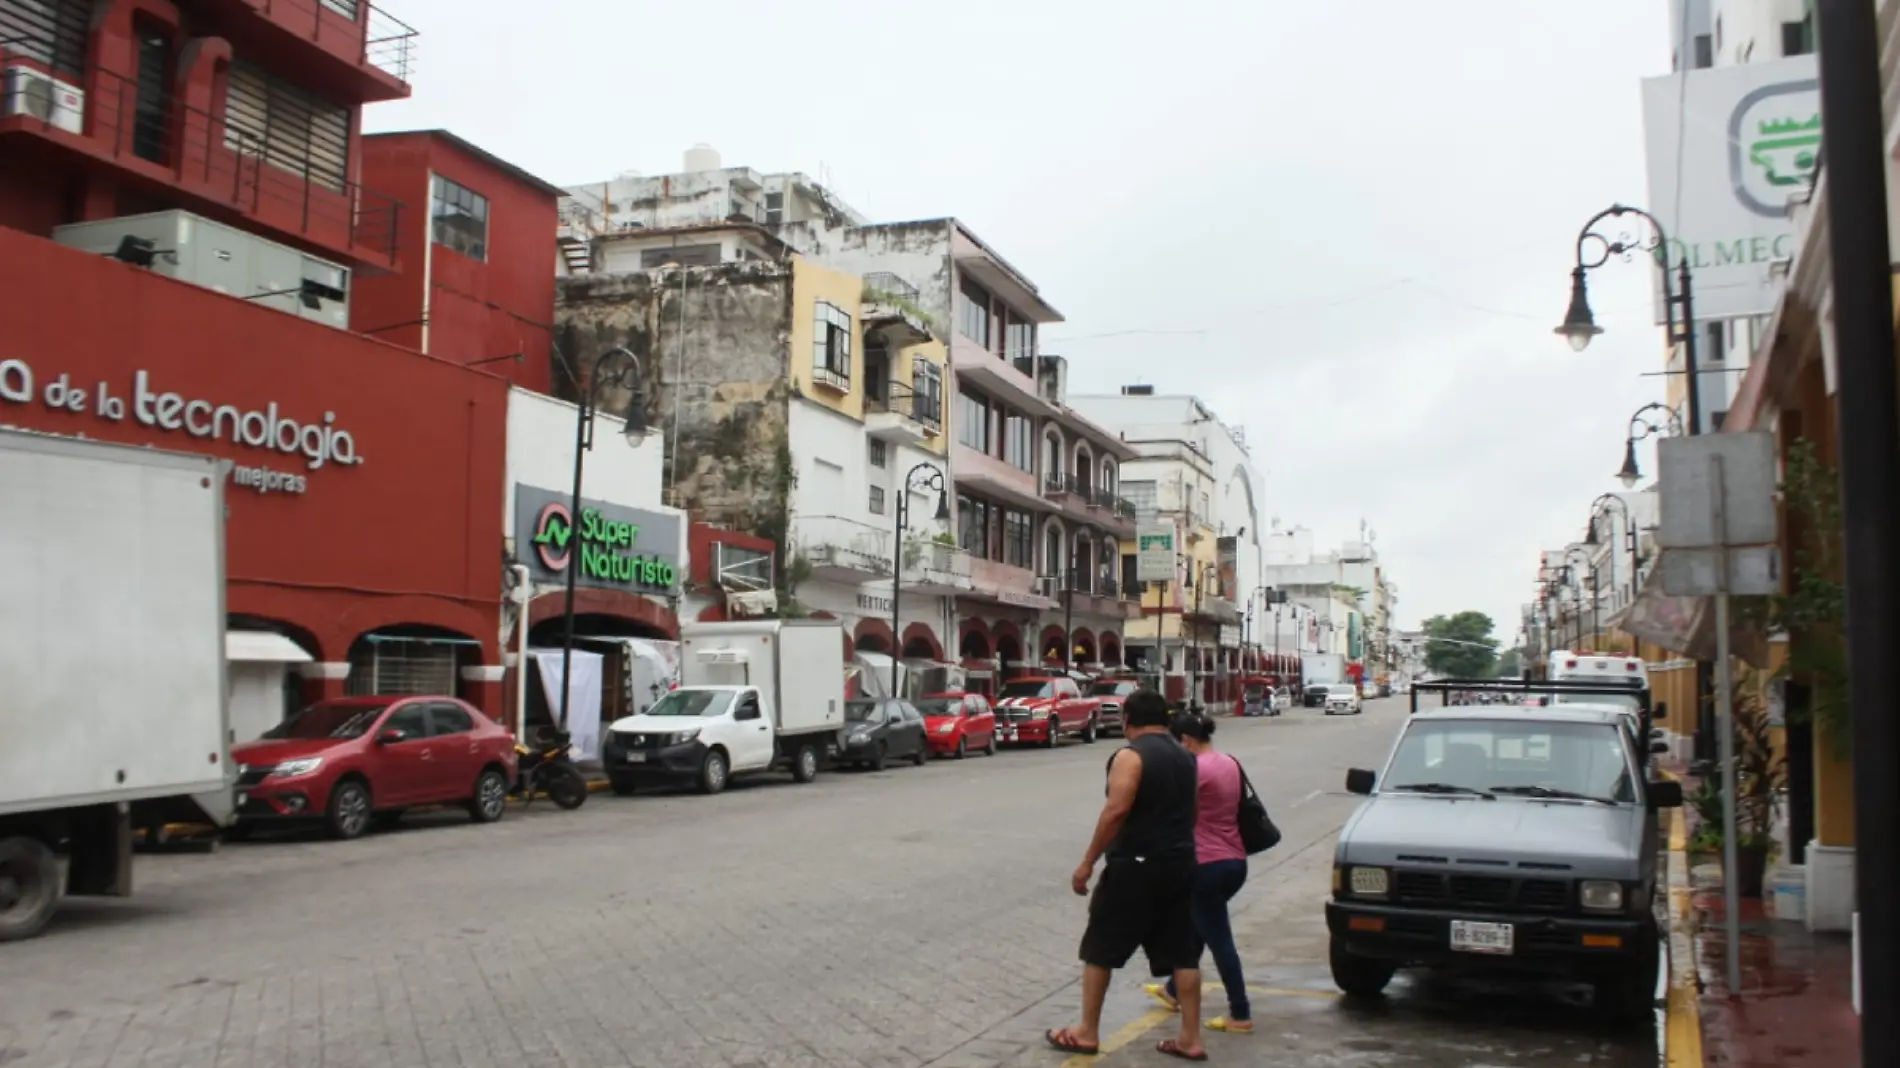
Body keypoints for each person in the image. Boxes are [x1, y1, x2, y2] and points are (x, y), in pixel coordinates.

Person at [1046, 689, 1207, 1061]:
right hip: (1180, 863)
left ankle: (1087, 1031)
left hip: (1135, 865)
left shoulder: (1130, 756)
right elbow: (1193, 812)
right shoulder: (1186, 758)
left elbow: (1115, 811)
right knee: (1184, 954)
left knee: (1100, 948)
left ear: (1127, 720)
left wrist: (1087, 862)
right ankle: (1190, 1038)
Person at [1144, 713, 1253, 1034]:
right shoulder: (1229, 762)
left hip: (1207, 865)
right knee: (1196, 929)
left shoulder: (1196, 768)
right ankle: (1173, 990)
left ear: (1186, 741)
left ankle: (1240, 1012)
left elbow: (1175, 811)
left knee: (1219, 939)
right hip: (1235, 860)